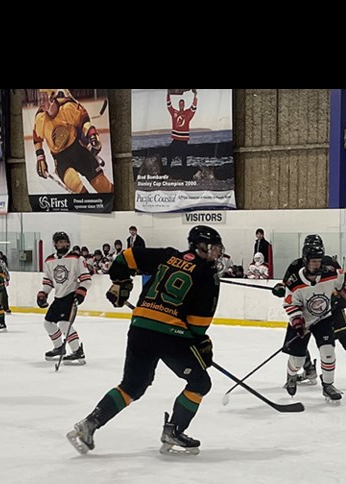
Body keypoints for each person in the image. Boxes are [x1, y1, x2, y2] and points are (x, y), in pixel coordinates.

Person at [67, 225, 223, 456]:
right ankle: (174, 430)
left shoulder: (167, 255)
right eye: (213, 249)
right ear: (200, 246)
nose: (216, 254)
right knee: (200, 384)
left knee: (132, 386)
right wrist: (201, 345)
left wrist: (121, 283)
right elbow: (198, 324)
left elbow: (125, 257)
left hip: (141, 327)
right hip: (171, 335)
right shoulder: (208, 276)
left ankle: (89, 424)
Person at [272, 234, 346, 387]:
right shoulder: (296, 265)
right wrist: (280, 289)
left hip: (330, 310)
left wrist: (342, 294)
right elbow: (288, 289)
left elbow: (344, 280)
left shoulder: (329, 263)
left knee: (343, 337)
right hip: (306, 311)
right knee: (300, 338)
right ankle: (308, 369)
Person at [281, 241, 346, 403]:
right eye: (313, 261)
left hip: (323, 319)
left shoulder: (330, 273)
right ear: (305, 260)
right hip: (302, 321)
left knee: (328, 352)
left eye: (319, 261)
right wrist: (297, 322)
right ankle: (291, 375)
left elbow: (344, 279)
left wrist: (343, 295)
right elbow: (290, 304)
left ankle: (328, 385)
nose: (317, 265)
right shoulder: (295, 281)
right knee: (296, 360)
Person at [32, 88, 113, 195]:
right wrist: (40, 157)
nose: (40, 102)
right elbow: (37, 138)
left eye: (43, 98)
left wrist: (93, 137)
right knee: (74, 184)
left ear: (52, 98)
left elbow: (84, 122)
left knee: (101, 185)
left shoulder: (68, 108)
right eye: (39, 98)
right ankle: (88, 203)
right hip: (61, 158)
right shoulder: (40, 118)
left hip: (78, 150)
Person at [37, 231, 92, 365]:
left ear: (68, 243)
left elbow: (86, 279)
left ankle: (77, 350)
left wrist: (81, 292)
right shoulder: (50, 260)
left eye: (64, 242)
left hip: (71, 295)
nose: (63, 244)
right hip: (58, 296)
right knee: (48, 323)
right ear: (55, 244)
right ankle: (59, 348)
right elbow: (49, 281)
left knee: (64, 324)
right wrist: (43, 293)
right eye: (59, 242)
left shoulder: (76, 258)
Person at [165, 89, 198, 172]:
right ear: (178, 105)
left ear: (184, 105)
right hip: (176, 138)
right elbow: (169, 106)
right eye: (180, 104)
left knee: (184, 156)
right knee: (169, 152)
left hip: (183, 139)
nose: (181, 105)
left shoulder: (187, 113)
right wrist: (168, 94)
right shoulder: (174, 113)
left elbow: (193, 108)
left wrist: (195, 95)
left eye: (182, 104)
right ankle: (167, 169)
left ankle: (184, 172)